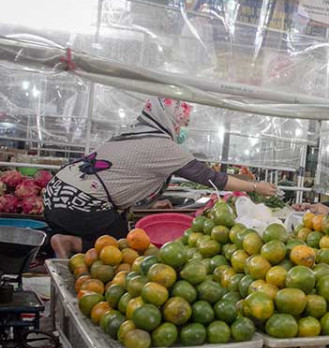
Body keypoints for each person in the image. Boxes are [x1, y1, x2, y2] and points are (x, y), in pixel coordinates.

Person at [43, 98, 277, 258]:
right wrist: (255, 186)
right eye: (183, 123)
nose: (184, 129)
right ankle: (72, 243)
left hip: (55, 196)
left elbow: (124, 177)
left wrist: (149, 203)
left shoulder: (130, 135)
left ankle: (60, 239)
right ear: (169, 120)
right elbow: (210, 177)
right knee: (125, 246)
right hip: (80, 204)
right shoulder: (162, 146)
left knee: (117, 230)